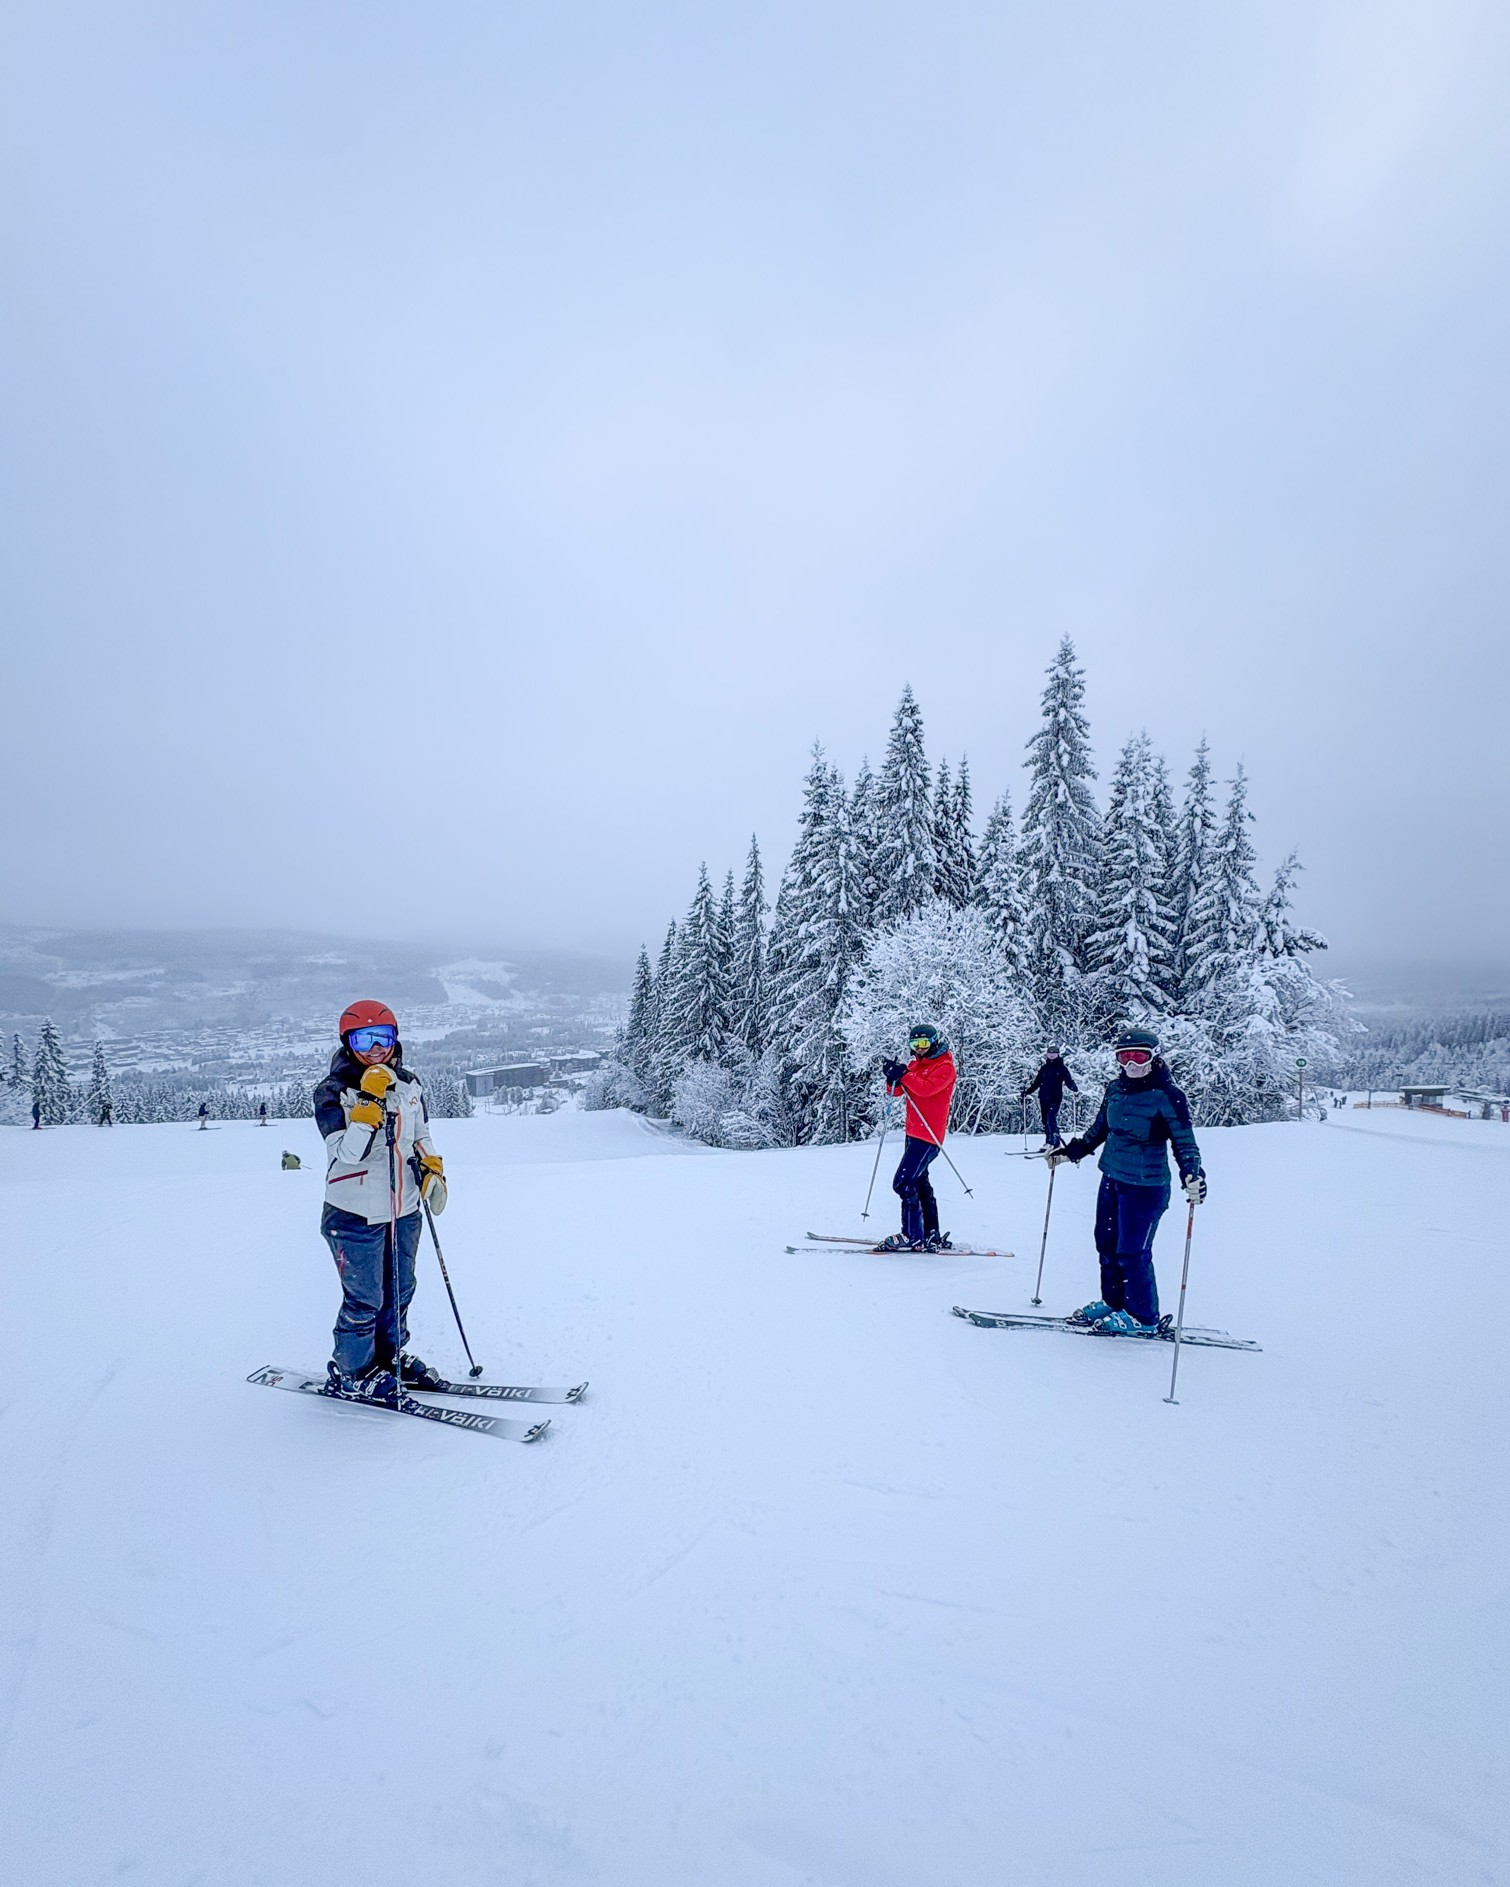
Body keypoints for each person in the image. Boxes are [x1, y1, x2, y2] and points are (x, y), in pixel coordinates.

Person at [313, 1000, 449, 1405]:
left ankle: (388, 1359)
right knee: (365, 1298)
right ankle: (352, 1372)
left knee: (400, 1289)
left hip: (404, 1209)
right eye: (364, 1039)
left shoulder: (409, 1083)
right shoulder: (334, 1092)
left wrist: (431, 1165)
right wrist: (368, 1104)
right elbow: (347, 1153)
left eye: (383, 1038)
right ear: (348, 1042)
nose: (376, 1048)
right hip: (353, 1213)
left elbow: (420, 1132)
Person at [1046, 1027, 1205, 1334]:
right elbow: (1099, 1130)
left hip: (1146, 1186)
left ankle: (1143, 1317)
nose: (1131, 1064)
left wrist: (1193, 1175)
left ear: (1154, 1057)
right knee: (1106, 1243)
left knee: (1132, 1251)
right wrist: (1071, 1152)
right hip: (1112, 1178)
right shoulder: (1115, 1089)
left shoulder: (1168, 1097)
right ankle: (1114, 1302)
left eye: (1139, 1056)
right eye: (1124, 1057)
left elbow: (1185, 1143)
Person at [878, 1023, 958, 1252]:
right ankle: (930, 1233)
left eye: (924, 1044)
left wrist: (904, 1074)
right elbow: (895, 1091)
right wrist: (892, 1075)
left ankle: (912, 1235)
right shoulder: (915, 1065)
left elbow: (925, 1089)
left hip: (929, 1135)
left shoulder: (944, 1067)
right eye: (915, 1044)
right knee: (921, 1183)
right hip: (913, 1132)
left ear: (934, 1042)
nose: (920, 1049)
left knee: (903, 1182)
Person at [1021, 1047, 1078, 1148]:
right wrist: (1028, 1092)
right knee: (1045, 1120)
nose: (1051, 1055)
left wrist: (1073, 1087)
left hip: (1055, 1097)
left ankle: (1054, 1142)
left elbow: (1068, 1080)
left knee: (1050, 1118)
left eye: (1054, 1053)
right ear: (1047, 1055)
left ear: (1058, 1054)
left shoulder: (1061, 1068)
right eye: (1049, 1053)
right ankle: (1048, 1142)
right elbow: (1037, 1082)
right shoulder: (1044, 1068)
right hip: (1043, 1097)